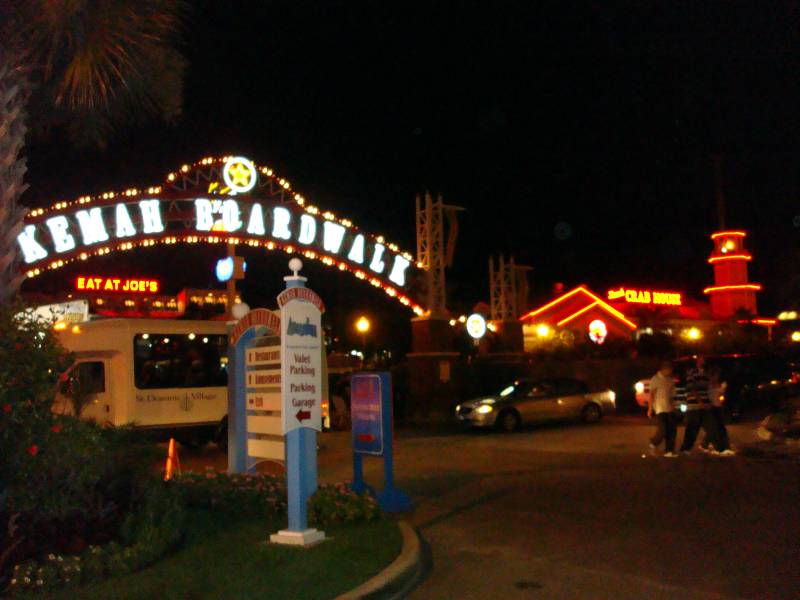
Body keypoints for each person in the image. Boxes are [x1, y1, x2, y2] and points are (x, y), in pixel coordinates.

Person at [680, 355, 711, 454]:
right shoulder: (692, 372)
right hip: (694, 405)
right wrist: (700, 401)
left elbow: (707, 389)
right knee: (692, 428)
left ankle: (704, 445)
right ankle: (686, 448)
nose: (703, 361)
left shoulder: (706, 374)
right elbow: (691, 388)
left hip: (704, 405)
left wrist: (707, 402)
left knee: (710, 426)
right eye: (701, 359)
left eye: (704, 359)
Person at [701, 365, 734, 455]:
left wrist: (723, 388)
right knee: (716, 428)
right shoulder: (707, 384)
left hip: (717, 406)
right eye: (715, 375)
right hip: (711, 407)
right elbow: (708, 395)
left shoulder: (716, 383)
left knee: (719, 427)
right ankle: (721, 448)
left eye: (717, 376)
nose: (717, 377)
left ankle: (705, 444)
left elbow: (718, 394)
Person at [648, 360, 678, 457]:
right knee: (663, 429)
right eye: (669, 370)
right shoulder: (655, 379)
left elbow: (672, 395)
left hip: (669, 409)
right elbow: (651, 395)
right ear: (664, 369)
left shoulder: (670, 380)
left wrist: (674, 406)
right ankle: (653, 442)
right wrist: (650, 408)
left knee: (672, 430)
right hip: (660, 408)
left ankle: (669, 451)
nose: (670, 372)